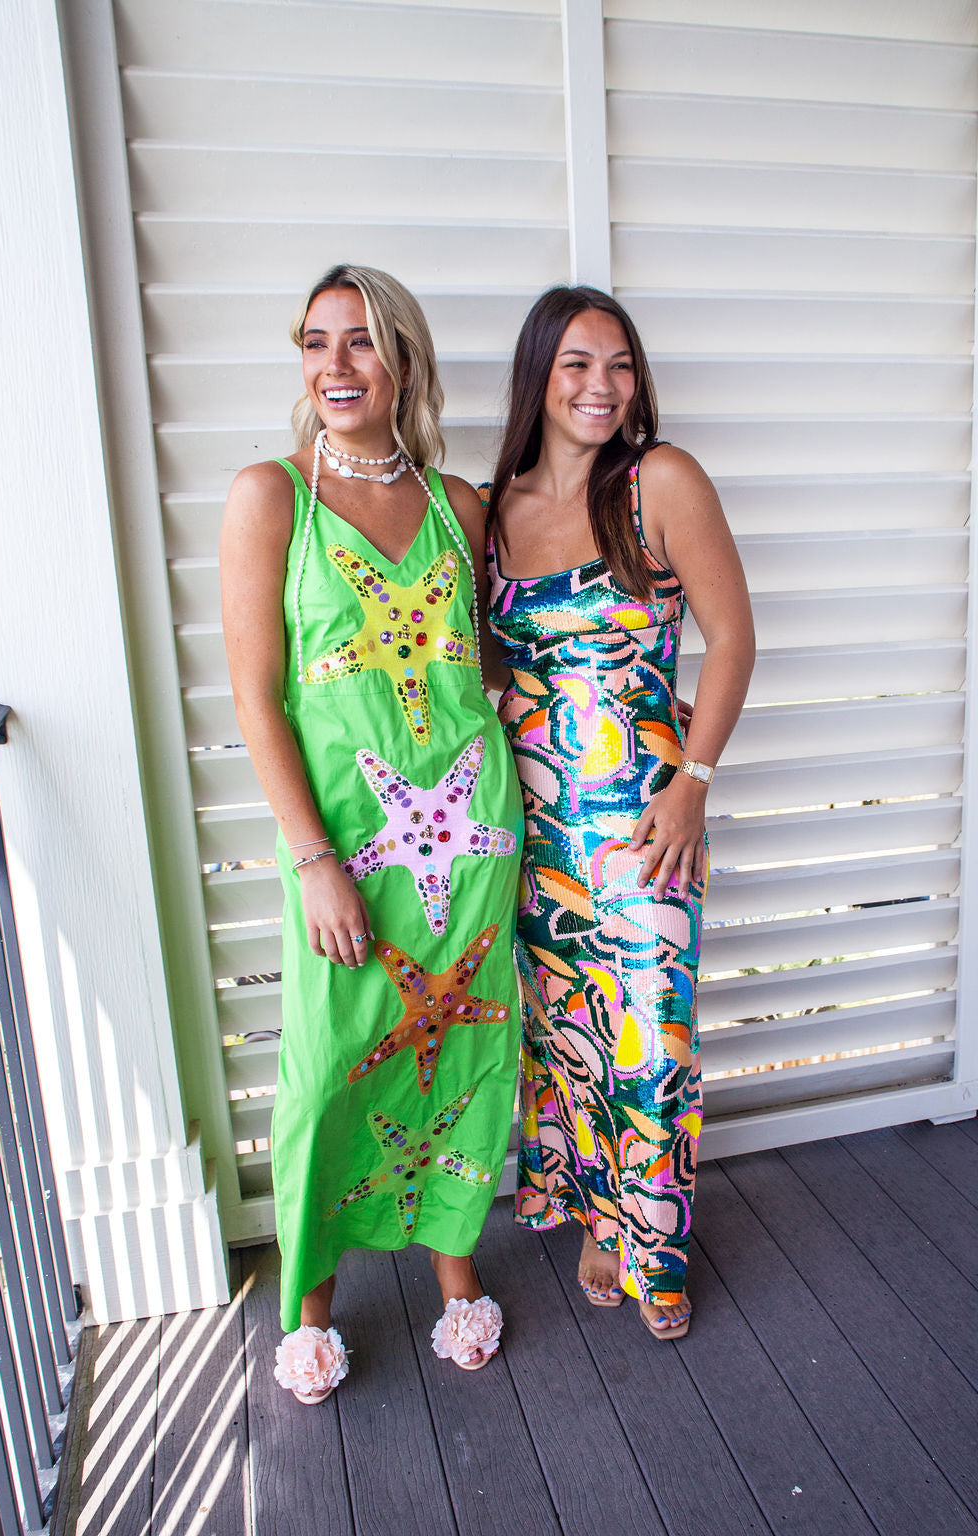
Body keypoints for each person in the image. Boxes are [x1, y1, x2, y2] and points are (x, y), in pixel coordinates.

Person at [220, 265, 523, 1402]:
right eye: (316, 342)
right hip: (343, 847)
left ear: (404, 361)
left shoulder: (459, 505)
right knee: (327, 1068)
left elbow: (480, 670)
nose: (335, 366)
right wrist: (311, 861)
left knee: (463, 1050)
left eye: (360, 342)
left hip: (471, 842)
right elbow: (256, 696)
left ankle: (457, 1268)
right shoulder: (271, 497)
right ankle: (309, 1301)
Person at [484, 286, 754, 1338]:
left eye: (620, 365)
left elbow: (732, 640)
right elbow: (488, 663)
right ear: (538, 377)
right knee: (569, 1033)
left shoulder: (658, 481)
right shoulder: (491, 510)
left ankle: (658, 1251)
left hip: (648, 821)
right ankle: (604, 1222)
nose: (602, 387)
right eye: (577, 365)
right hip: (535, 826)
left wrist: (694, 782)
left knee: (649, 1043)